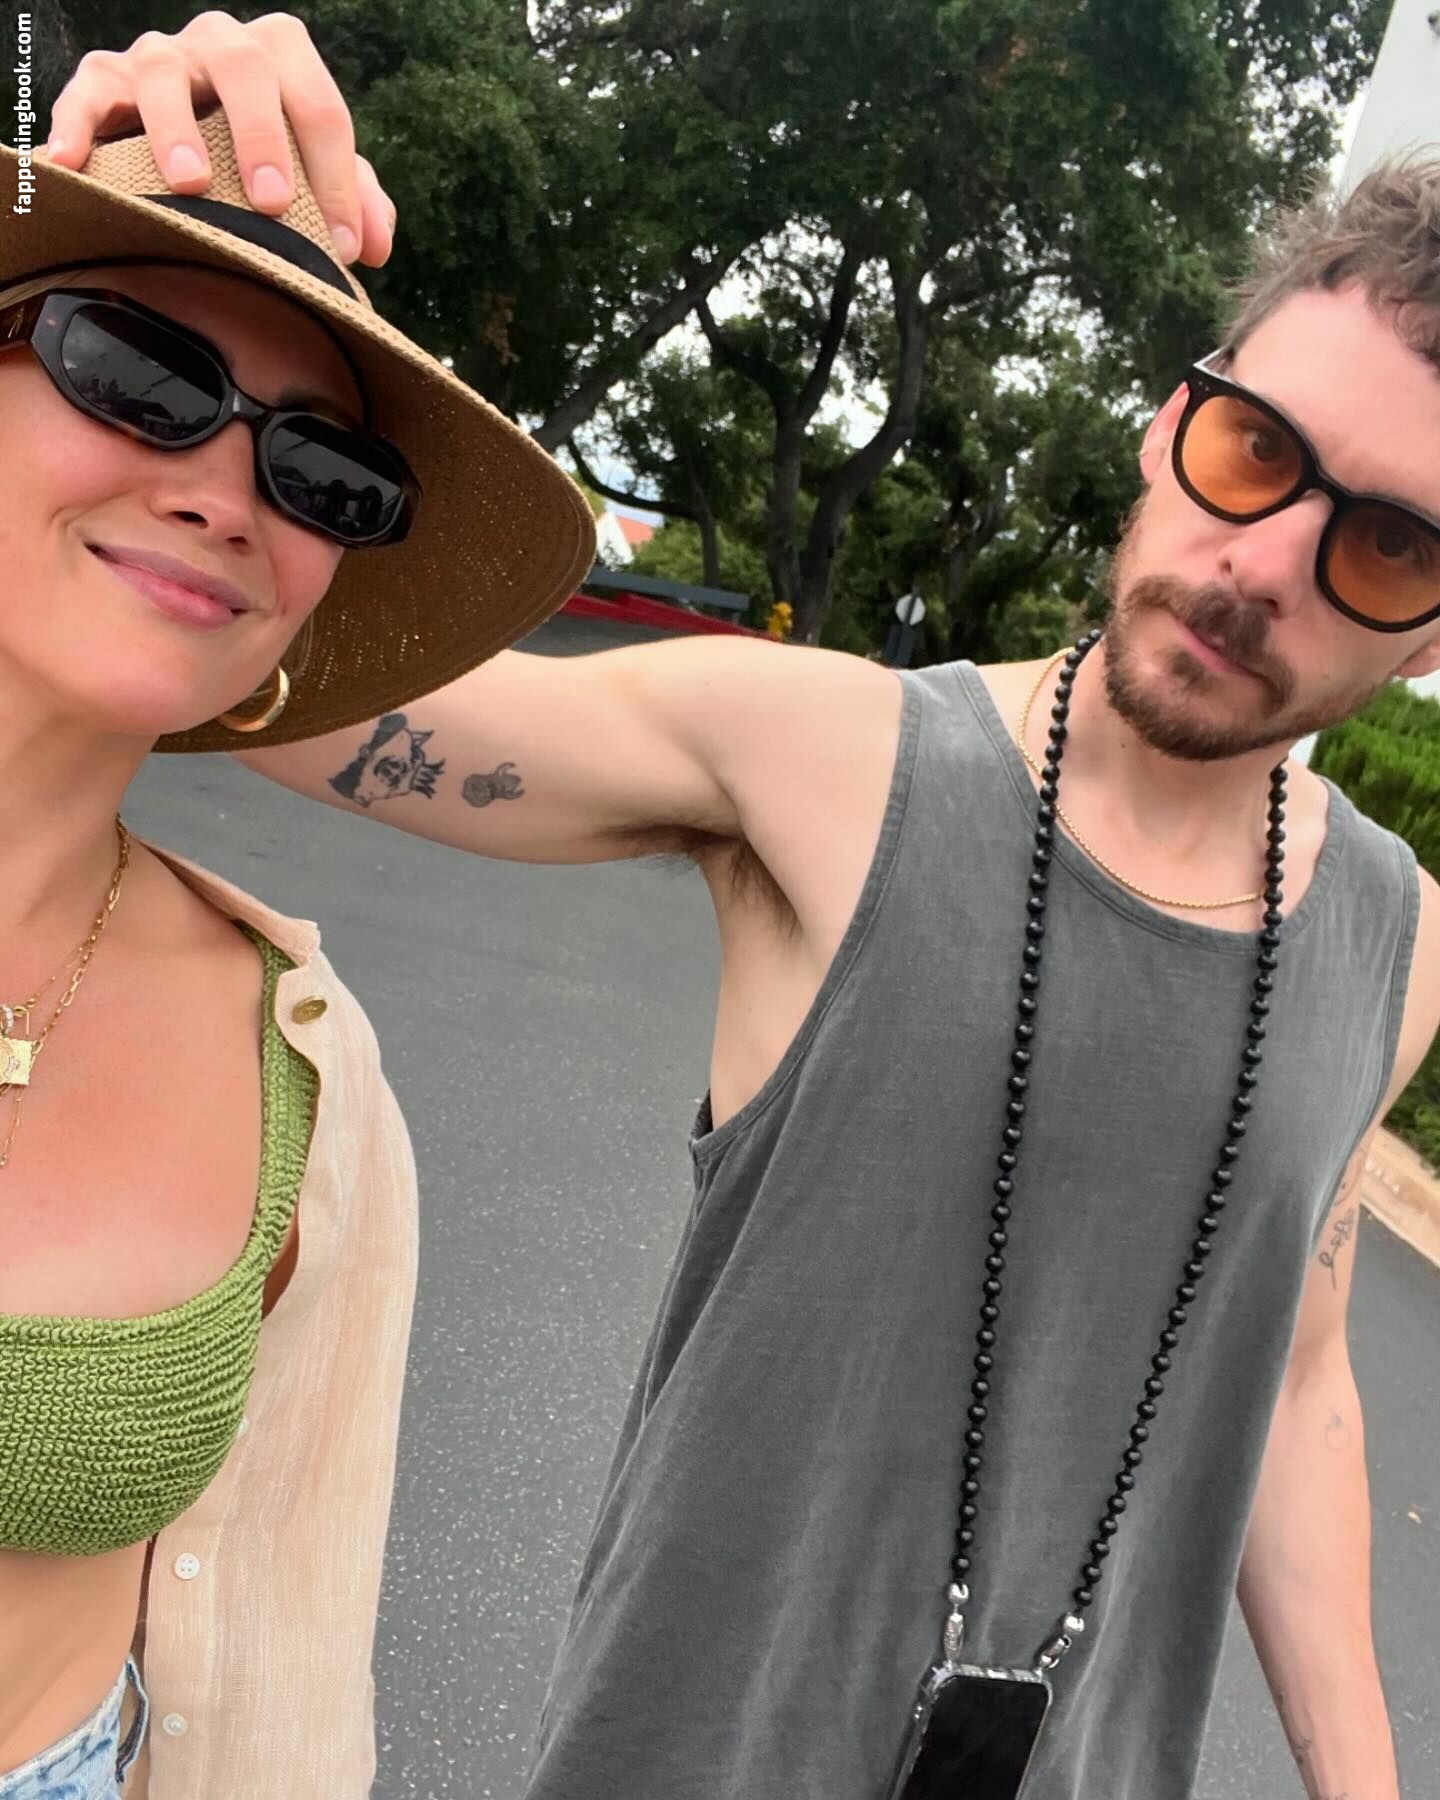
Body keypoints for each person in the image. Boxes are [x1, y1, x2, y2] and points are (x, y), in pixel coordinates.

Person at [49, 18, 1440, 1800]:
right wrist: (115, 271)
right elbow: (287, 686)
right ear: (1177, 423)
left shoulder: (1394, 949)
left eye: (1387, 543)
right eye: (1256, 451)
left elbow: (1296, 1374)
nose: (1265, 566)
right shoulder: (829, 762)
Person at [0, 72, 593, 1800]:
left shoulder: (304, 1066)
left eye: (324, 471)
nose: (224, 490)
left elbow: (286, 1671)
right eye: (137, 369)